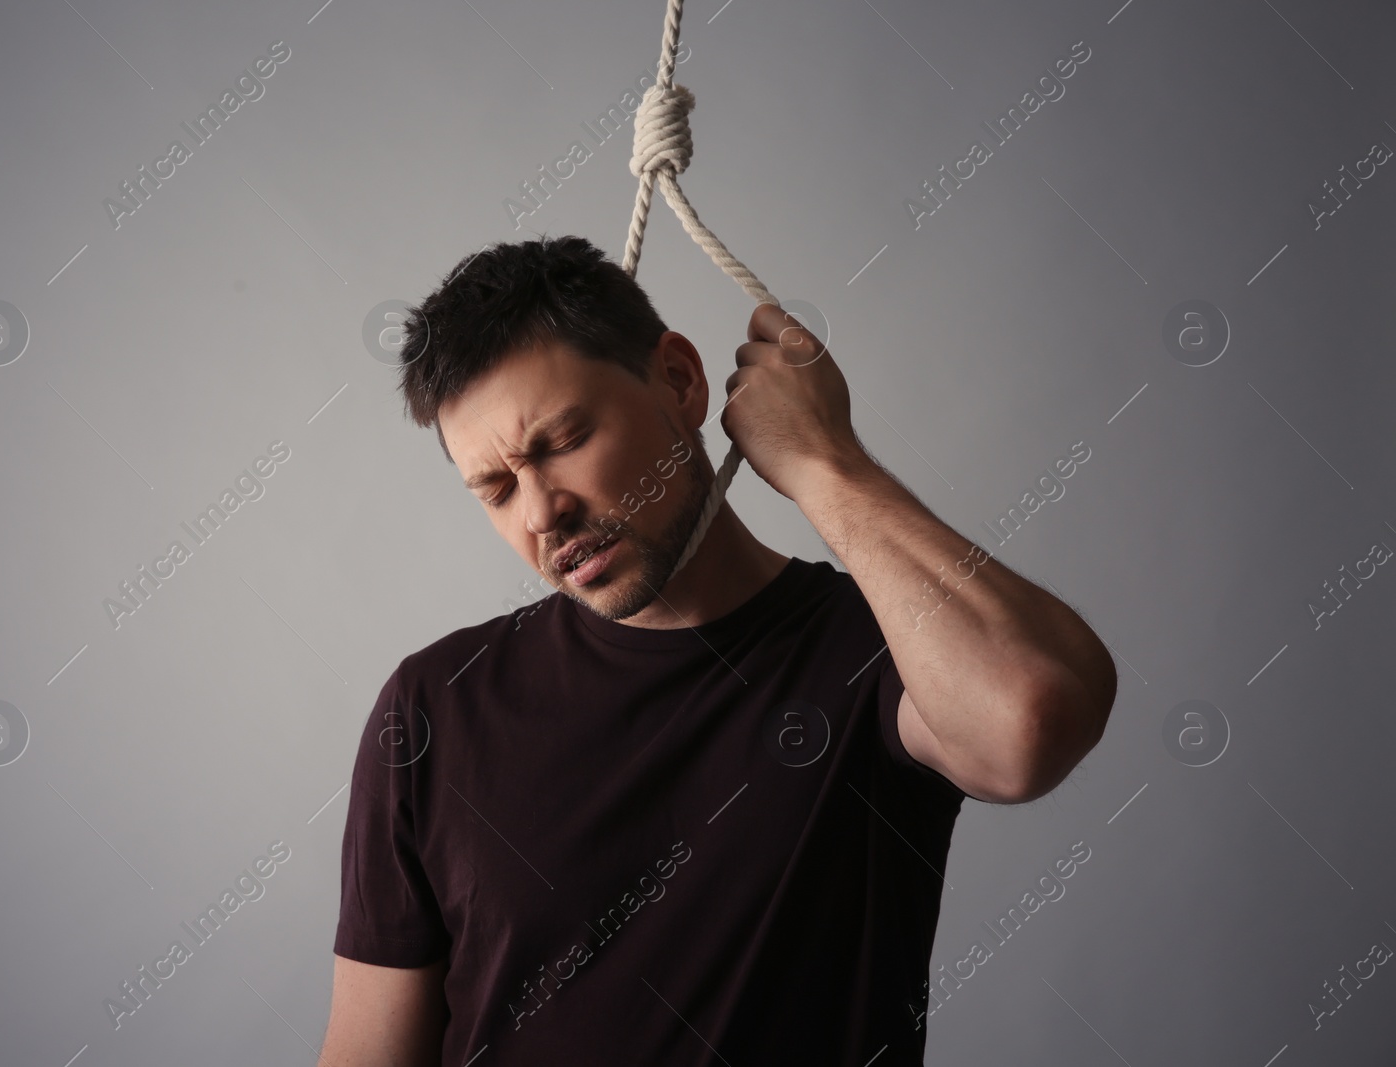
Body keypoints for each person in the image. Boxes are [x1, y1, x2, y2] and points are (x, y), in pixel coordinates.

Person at [318, 236, 1116, 1066]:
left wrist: (824, 461)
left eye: (560, 441)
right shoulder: (435, 703)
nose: (540, 511)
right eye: (497, 487)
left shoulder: (877, 650)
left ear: (680, 380)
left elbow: (1031, 718)